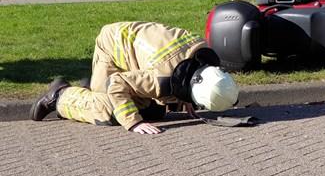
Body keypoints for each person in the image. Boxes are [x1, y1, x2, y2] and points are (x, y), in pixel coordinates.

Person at [30, 22, 239, 134]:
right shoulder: (162, 78)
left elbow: (187, 71)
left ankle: (89, 88)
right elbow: (117, 84)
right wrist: (133, 123)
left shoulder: (202, 54)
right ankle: (60, 95)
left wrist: (185, 98)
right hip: (111, 47)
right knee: (109, 112)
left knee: (155, 110)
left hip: (132, 46)